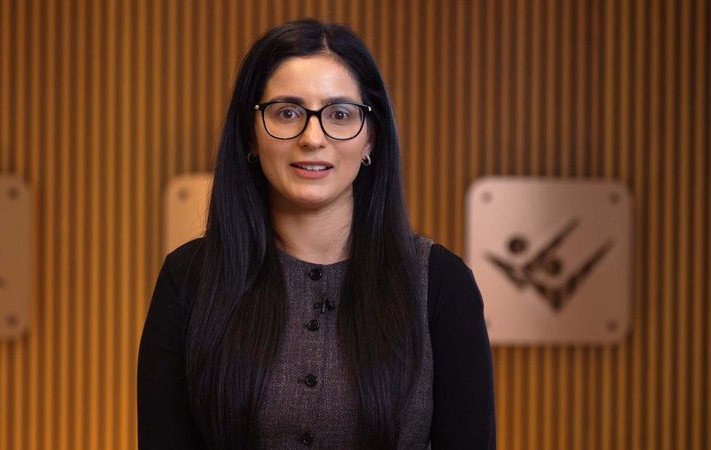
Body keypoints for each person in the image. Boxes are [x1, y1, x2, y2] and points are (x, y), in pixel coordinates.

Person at [137, 19, 495, 450]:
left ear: (370, 139)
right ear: (250, 135)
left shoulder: (440, 282)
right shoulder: (189, 278)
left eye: (339, 114)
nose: (312, 138)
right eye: (287, 113)